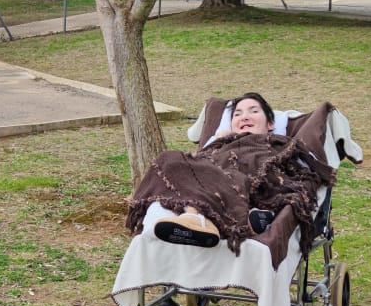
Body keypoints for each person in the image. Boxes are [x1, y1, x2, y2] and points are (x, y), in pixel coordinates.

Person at [127, 91, 335, 265]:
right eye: (237, 114)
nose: (244, 117)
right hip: (213, 179)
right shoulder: (219, 144)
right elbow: (201, 163)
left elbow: (294, 171)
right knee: (168, 159)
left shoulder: (280, 143)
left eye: (254, 111)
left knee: (229, 174)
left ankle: (199, 218)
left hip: (250, 178)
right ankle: (223, 221)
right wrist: (218, 142)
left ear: (270, 123)